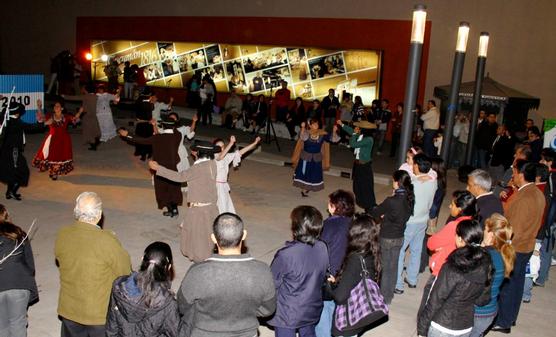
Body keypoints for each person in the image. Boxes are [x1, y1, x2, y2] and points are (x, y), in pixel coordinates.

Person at [178, 213, 276, 337]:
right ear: (244, 235)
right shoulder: (262, 271)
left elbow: (182, 306)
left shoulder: (197, 272)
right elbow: (268, 309)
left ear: (213, 238)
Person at [55, 192, 131, 337]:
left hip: (69, 310)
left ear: (76, 212)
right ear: (99, 214)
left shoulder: (63, 234)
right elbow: (125, 272)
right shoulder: (107, 241)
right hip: (98, 315)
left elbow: (60, 258)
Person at [492, 160, 546, 333]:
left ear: (521, 175)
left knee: (507, 286)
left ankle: (503, 321)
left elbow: (516, 229)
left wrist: (502, 247)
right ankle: (510, 318)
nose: (512, 176)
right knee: (516, 284)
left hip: (516, 248)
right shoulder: (535, 192)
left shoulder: (525, 197)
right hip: (527, 246)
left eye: (514, 172)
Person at [417, 220, 492, 337]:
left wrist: (422, 330)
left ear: (461, 239)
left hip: (442, 325)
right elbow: (482, 300)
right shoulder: (486, 263)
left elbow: (435, 299)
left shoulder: (451, 266)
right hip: (465, 327)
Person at [148, 140, 220, 262]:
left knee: (198, 235)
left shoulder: (198, 168)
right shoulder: (212, 164)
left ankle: (201, 259)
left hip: (200, 210)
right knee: (207, 233)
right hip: (211, 207)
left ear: (197, 152)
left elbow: (179, 177)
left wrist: (158, 168)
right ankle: (208, 255)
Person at [269, 206, 328, 337]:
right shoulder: (322, 247)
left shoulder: (286, 254)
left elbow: (272, 283)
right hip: (312, 307)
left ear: (296, 228)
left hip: (287, 313)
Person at [326, 213, 383, 337]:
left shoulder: (355, 259)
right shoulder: (374, 251)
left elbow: (340, 297)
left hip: (348, 321)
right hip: (359, 314)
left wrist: (332, 286)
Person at [420, 191, 476, 315]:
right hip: (460, 271)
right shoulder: (473, 224)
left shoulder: (455, 226)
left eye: (452, 204)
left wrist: (440, 247)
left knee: (428, 306)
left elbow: (431, 243)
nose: (450, 206)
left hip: (442, 271)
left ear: (460, 209)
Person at [106, 242, 179, 337]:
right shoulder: (168, 303)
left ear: (142, 259)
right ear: (168, 267)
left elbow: (112, 327)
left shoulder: (119, 286)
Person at [119, 120, 183, 217]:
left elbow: (141, 140)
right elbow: (172, 132)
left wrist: (128, 134)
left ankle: (170, 209)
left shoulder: (157, 138)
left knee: (162, 189)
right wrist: (156, 126)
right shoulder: (178, 136)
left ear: (163, 126)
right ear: (173, 127)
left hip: (159, 168)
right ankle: (174, 209)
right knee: (173, 188)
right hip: (172, 167)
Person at [315, 189, 355, 336]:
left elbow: (319, 248)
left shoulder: (328, 225)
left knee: (325, 311)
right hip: (346, 275)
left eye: (329, 203)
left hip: (330, 275)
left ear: (334, 206)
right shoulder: (353, 224)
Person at [370, 170, 414, 304]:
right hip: (400, 236)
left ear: (398, 182)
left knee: (383, 267)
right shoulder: (410, 198)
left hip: (387, 237)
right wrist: (388, 215)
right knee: (393, 267)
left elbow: (376, 211)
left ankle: (382, 296)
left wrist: (384, 215)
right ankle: (388, 296)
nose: (392, 183)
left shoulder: (392, 201)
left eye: (393, 180)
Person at [395, 154, 437, 293]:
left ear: (417, 166)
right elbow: (433, 173)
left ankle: (398, 284)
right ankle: (412, 279)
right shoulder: (433, 181)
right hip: (423, 220)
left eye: (413, 164)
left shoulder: (412, 184)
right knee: (416, 250)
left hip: (410, 221)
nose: (411, 166)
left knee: (399, 251)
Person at [470, 214, 515, 337]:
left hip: (476, 312)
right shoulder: (504, 255)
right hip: (490, 312)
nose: (483, 231)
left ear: (491, 234)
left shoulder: (485, 257)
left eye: (485, 229)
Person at [0, 221, 39, 337]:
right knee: (17, 324)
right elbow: (30, 265)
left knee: (1, 326)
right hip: (19, 284)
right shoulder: (18, 234)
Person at [33, 99, 83, 180]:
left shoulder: (66, 117)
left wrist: (80, 112)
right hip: (52, 139)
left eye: (58, 106)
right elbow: (41, 118)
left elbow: (74, 119)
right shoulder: (50, 116)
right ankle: (53, 171)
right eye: (55, 106)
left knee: (61, 156)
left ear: (62, 108)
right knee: (52, 155)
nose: (56, 107)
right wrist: (39, 107)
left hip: (64, 139)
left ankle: (55, 171)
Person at [0, 103, 40, 200]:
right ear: (17, 113)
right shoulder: (15, 122)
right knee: (22, 172)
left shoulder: (7, 120)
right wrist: (42, 123)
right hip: (14, 152)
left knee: (11, 172)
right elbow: (31, 127)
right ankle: (12, 192)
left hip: (6, 151)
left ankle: (9, 192)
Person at [213, 135, 261, 213]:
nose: (221, 148)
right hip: (216, 187)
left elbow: (240, 152)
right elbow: (220, 157)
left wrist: (254, 143)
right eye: (219, 147)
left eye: (222, 146)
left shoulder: (226, 156)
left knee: (226, 207)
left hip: (223, 186)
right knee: (221, 208)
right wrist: (231, 143)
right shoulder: (214, 156)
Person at [292, 119, 339, 197]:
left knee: (314, 174)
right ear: (310, 125)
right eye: (313, 124)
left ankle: (309, 187)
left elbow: (333, 139)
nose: (316, 125)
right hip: (306, 158)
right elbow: (302, 137)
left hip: (316, 158)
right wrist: (303, 127)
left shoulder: (322, 134)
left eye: (317, 124)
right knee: (304, 174)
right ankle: (303, 189)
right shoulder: (307, 133)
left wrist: (334, 131)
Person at [338, 119, 377, 212]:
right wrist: (342, 125)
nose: (357, 128)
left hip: (364, 166)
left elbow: (353, 144)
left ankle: (370, 206)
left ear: (364, 129)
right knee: (357, 186)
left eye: (360, 128)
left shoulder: (369, 139)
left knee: (366, 187)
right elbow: (351, 131)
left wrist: (354, 135)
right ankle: (362, 202)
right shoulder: (362, 135)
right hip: (358, 165)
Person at [535, 148, 556, 287]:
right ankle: (544, 275)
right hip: (551, 219)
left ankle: (541, 277)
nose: (540, 161)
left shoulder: (550, 178)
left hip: (548, 219)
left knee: (544, 248)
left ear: (550, 162)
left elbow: (550, 202)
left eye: (542, 159)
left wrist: (545, 225)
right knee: (547, 247)